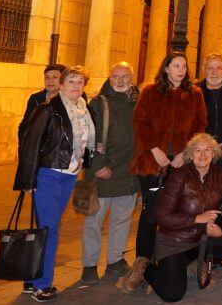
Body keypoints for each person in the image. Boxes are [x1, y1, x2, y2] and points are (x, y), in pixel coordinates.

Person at [123, 52, 207, 291]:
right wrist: (154, 149)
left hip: (181, 165)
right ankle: (142, 264)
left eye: (184, 66)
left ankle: (169, 261)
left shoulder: (195, 95)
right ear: (166, 69)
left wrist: (185, 153)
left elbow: (200, 126)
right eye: (176, 65)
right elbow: (140, 122)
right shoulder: (150, 92)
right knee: (152, 213)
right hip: (152, 162)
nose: (181, 70)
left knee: (177, 213)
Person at [15, 66, 95, 302]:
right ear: (61, 85)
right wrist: (27, 181)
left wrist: (90, 152)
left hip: (69, 175)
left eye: (80, 82)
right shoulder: (48, 110)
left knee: (47, 228)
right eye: (71, 81)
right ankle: (42, 285)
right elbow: (30, 144)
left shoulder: (84, 111)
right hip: (48, 174)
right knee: (50, 230)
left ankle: (31, 279)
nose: (76, 86)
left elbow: (82, 142)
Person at [141, 133, 222, 302]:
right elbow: (162, 215)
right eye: (197, 151)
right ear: (190, 154)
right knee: (173, 294)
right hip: (174, 241)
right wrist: (197, 218)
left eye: (207, 150)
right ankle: (146, 268)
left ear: (214, 154)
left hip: (201, 239)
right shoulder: (178, 176)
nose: (203, 155)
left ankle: (194, 261)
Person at [80, 62, 139, 285]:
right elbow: (85, 139)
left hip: (129, 172)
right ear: (109, 78)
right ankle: (89, 265)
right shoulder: (98, 103)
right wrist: (96, 165)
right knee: (94, 221)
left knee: (122, 219)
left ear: (132, 78)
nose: (120, 80)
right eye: (116, 76)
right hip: (102, 173)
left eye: (125, 76)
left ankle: (115, 260)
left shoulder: (139, 102)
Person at [18, 64, 67, 141]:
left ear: (63, 80)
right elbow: (25, 123)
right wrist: (23, 145)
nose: (50, 81)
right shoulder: (35, 98)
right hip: (35, 145)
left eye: (55, 77)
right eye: (47, 77)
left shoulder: (68, 100)